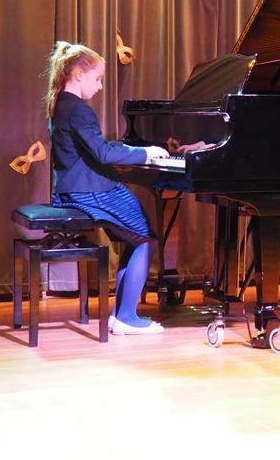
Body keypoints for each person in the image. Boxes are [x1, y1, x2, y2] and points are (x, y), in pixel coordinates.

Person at [44, 41, 179, 335]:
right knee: (145, 239)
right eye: (97, 79)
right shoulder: (78, 110)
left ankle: (120, 315)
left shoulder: (60, 105)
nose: (100, 86)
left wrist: (137, 149)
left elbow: (94, 147)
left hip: (71, 189)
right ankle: (127, 317)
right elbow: (103, 154)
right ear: (79, 74)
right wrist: (145, 154)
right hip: (91, 191)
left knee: (136, 237)